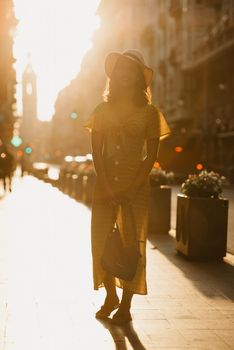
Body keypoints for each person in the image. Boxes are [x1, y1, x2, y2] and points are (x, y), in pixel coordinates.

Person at [84, 49, 170, 325]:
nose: (125, 75)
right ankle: (110, 295)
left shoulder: (149, 113)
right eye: (121, 69)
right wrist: (107, 185)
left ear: (138, 78)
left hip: (136, 187)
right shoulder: (101, 110)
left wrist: (133, 186)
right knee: (101, 241)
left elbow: (151, 155)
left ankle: (125, 305)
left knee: (132, 243)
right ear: (114, 75)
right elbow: (96, 152)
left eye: (131, 71)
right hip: (104, 186)